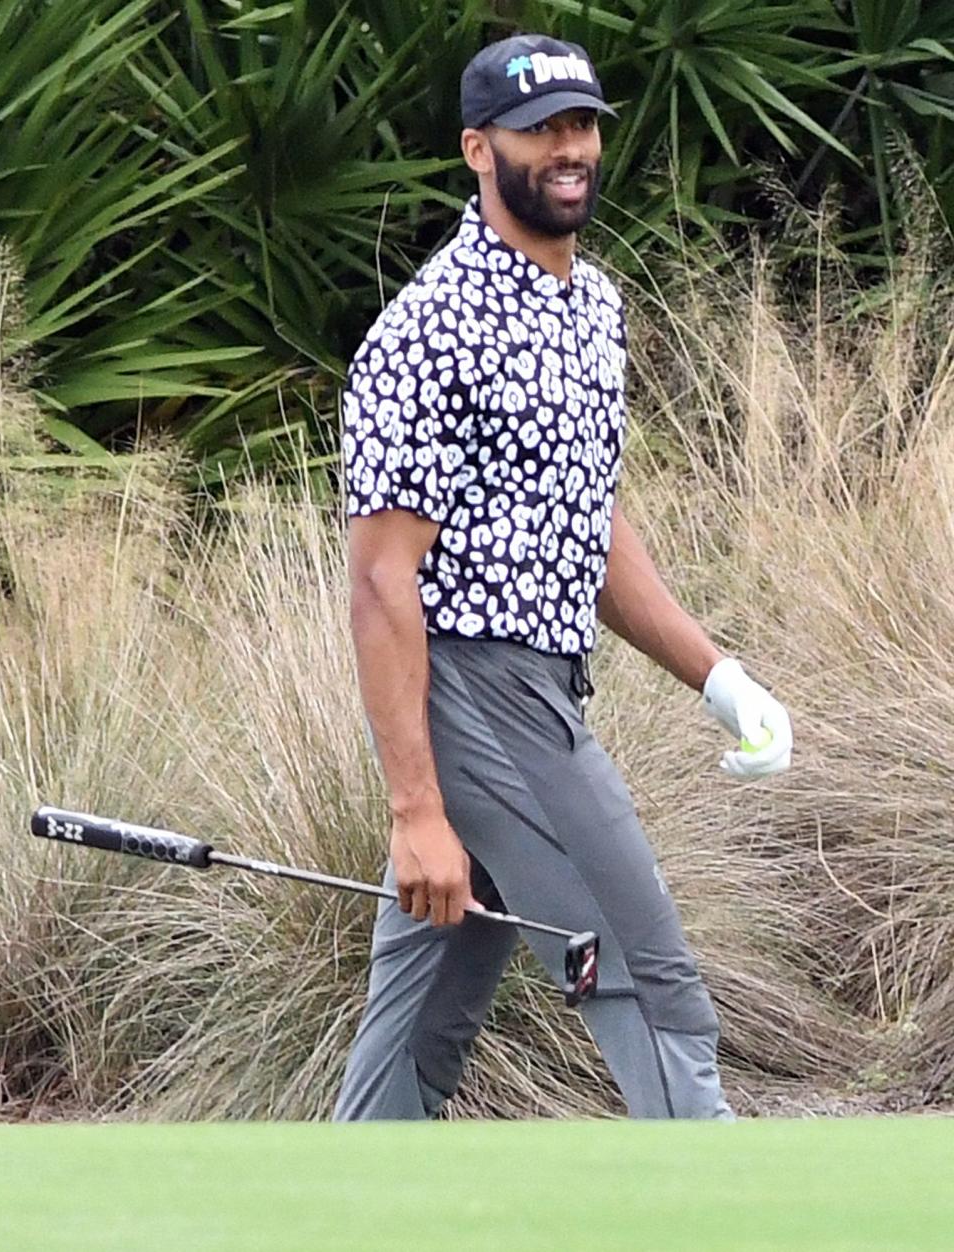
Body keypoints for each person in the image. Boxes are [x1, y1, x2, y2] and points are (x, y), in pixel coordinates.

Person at [334, 33, 793, 1122]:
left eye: (581, 125)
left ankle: (335, 1214)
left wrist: (718, 677)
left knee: (415, 1035)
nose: (569, 148)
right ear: (477, 149)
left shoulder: (594, 309)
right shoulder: (428, 328)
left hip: (546, 686)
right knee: (654, 983)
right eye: (540, 130)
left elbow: (587, 523)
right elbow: (381, 583)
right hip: (477, 697)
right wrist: (416, 810)